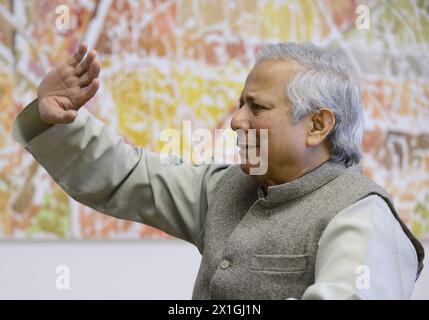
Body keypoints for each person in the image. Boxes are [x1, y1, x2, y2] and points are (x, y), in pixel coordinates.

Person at [12, 42, 424, 299]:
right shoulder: (229, 186)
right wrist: (58, 120)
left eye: (256, 107)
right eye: (241, 103)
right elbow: (126, 176)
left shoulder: (362, 215)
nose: (236, 120)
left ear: (317, 126)